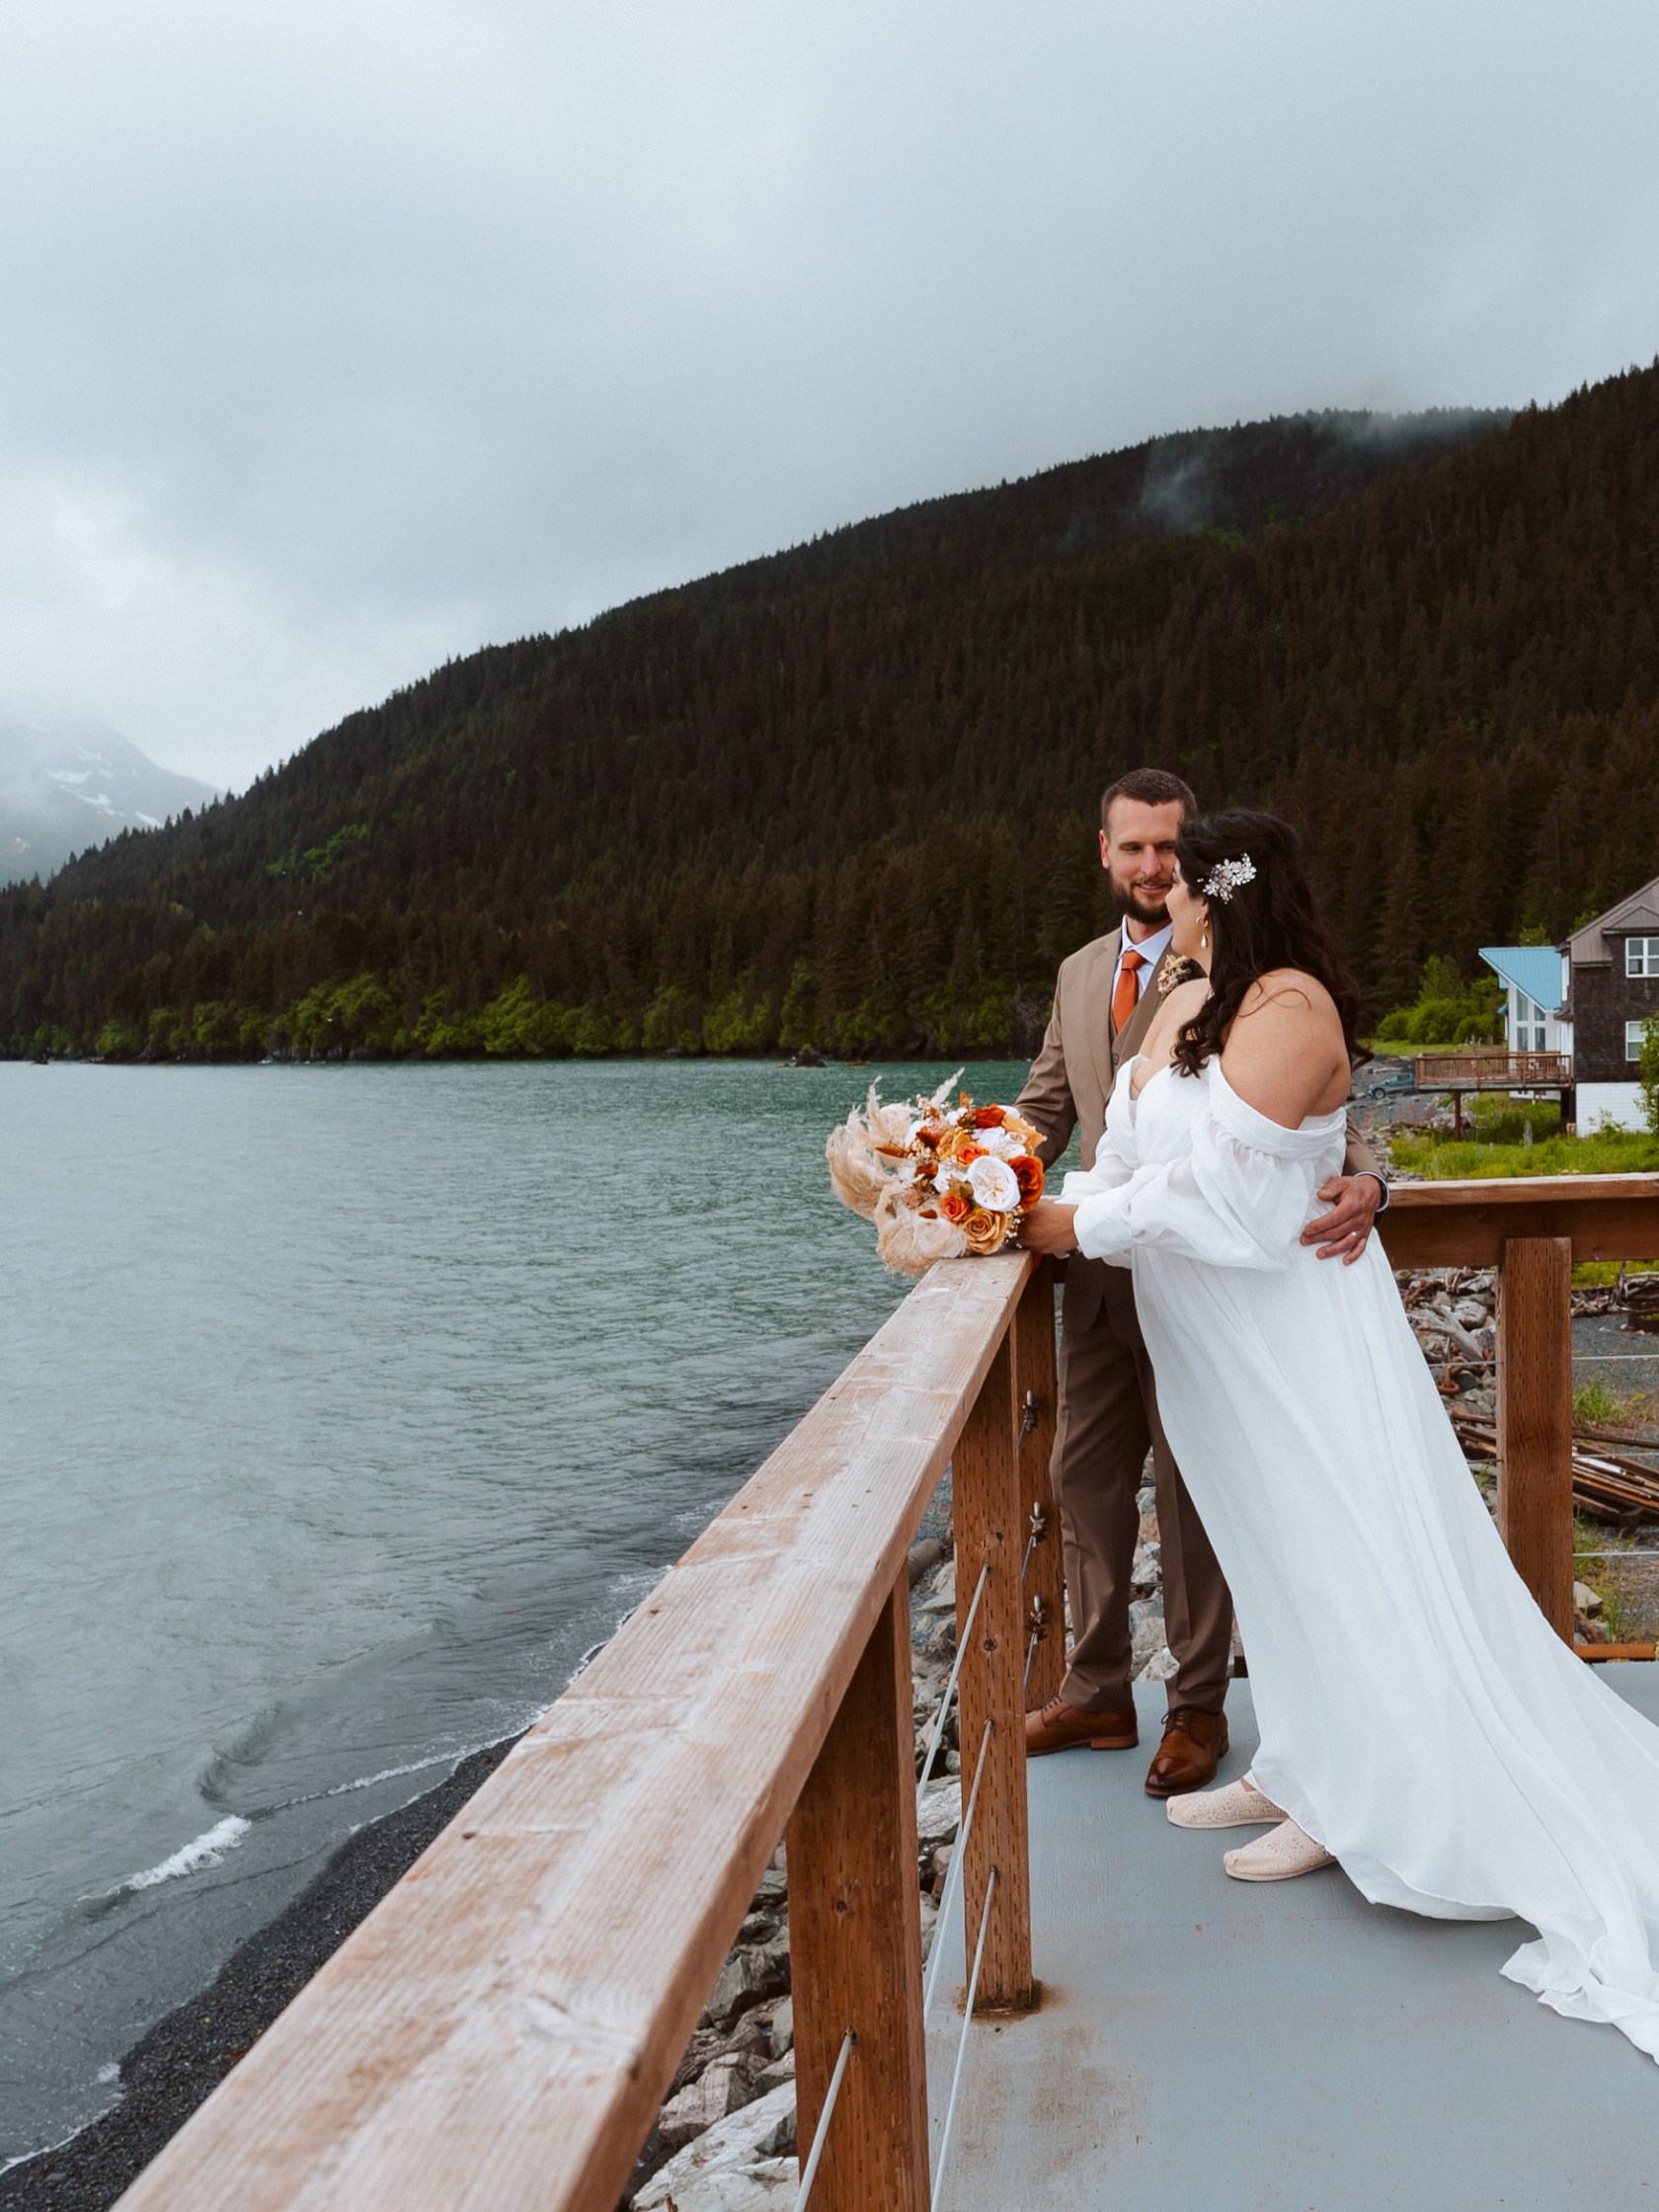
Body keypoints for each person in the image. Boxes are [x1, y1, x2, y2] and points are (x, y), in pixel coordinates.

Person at [1021, 809, 1659, 2060]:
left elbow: (1229, 1199)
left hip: (1291, 1345)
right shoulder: (1203, 994)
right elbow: (1129, 1150)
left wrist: (1058, 1228)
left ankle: (1366, 1799)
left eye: (1187, 880)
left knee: (1338, 1554)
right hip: (1216, 1355)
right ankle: (1301, 1760)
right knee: (1273, 1563)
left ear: (1219, 889)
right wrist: (1025, 1189)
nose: (1168, 897)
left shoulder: (1290, 1005)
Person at [1015, 770, 1386, 1796]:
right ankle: (1094, 1686)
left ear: (1201, 867)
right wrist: (966, 1182)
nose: (1152, 869)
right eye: (1132, 849)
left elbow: (1284, 1127)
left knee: (1203, 1495)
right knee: (1083, 1484)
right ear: (1104, 850)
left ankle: (1197, 1709)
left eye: (1168, 853)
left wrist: (1372, 1179)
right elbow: (1048, 1109)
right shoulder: (1086, 973)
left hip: (1219, 1288)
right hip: (1103, 1282)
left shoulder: (1272, 988)